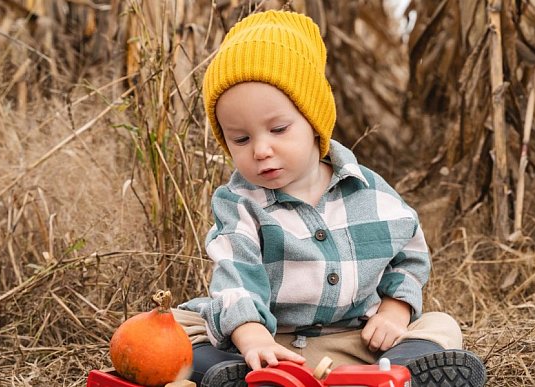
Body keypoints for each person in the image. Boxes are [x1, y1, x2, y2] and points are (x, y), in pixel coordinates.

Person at [173, 9, 487, 387]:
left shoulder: (367, 190)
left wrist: (394, 311)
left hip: (358, 341)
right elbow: (234, 277)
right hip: (272, 344)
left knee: (440, 326)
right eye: (240, 139)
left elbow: (410, 255)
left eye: (278, 129)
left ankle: (396, 372)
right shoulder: (239, 202)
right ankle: (255, 376)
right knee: (179, 331)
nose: (260, 149)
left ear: (314, 120)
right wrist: (251, 335)